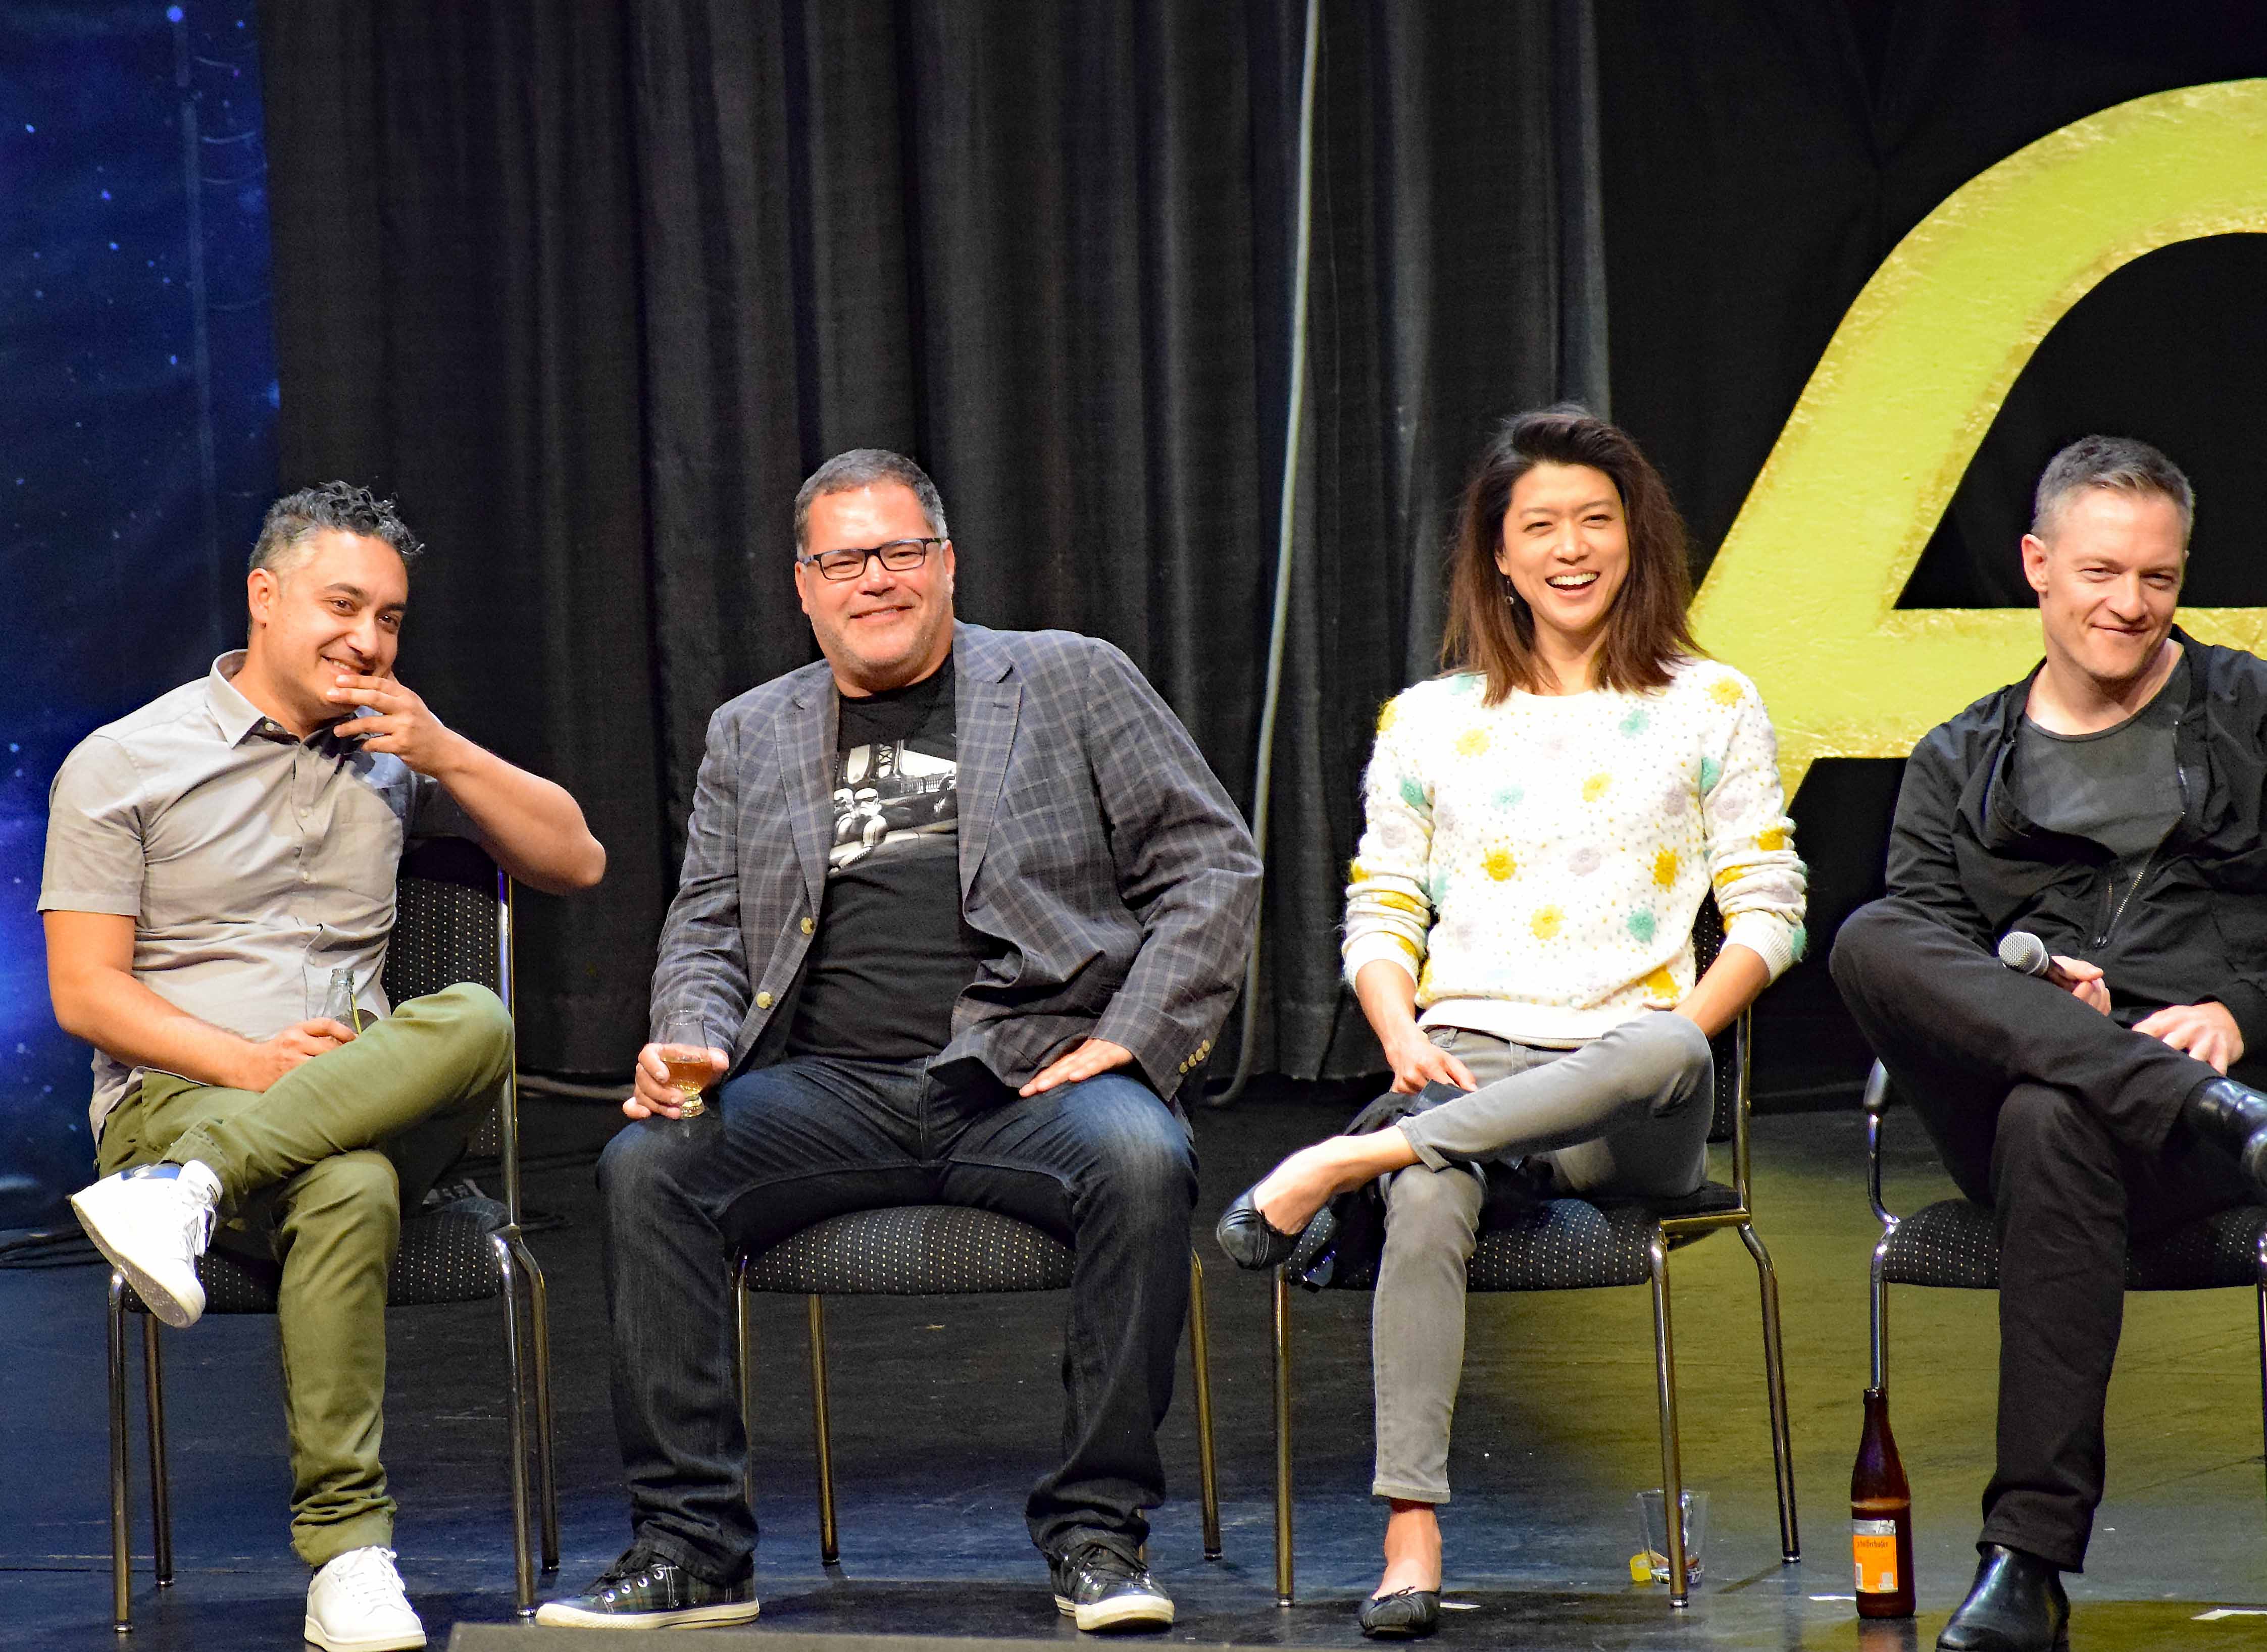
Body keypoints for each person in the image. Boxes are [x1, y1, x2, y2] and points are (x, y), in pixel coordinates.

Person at [538, 448, 1260, 1633]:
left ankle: (1097, 1535)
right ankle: (693, 1546)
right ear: (804, 586)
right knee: (648, 1166)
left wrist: (1132, 1041)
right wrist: (691, 1042)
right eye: (843, 560)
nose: (873, 579)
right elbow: (708, 924)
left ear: (946, 563)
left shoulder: (1071, 678)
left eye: (897, 552)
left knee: (1140, 1158)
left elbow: (1211, 866)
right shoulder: (751, 731)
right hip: (827, 1088)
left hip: (1030, 1074)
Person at [1216, 407, 1806, 1639]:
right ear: (1497, 552)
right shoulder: (1430, 718)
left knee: (1658, 1044)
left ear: (1635, 539)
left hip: (1636, 1082)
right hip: (1471, 1058)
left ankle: (1350, 1158)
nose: (1570, 547)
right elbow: (1382, 909)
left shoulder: (1709, 702)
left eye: (1595, 520)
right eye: (1540, 525)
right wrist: (1401, 1040)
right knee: (1432, 1188)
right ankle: (1410, 1533)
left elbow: (1769, 907)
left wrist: (1685, 1028)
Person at [44, 483, 607, 1652]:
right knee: (349, 1184)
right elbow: (86, 992)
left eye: (389, 618)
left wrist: (442, 748)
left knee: (476, 1019)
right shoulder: (124, 760)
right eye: (342, 605)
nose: (368, 639)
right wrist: (247, 1063)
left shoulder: (392, 755)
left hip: (356, 1092)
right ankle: (350, 1554)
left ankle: (191, 1190)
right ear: (265, 596)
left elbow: (577, 859)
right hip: (178, 1094)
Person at [1830, 436, 2267, 1652]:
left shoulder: (2250, 714)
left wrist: (2240, 1011)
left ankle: (2023, 1561)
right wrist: (2027, 993)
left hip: (2191, 1127)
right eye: (2100, 572)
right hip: (2103, 1095)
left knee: (2051, 1115)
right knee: (1873, 936)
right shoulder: (1957, 760)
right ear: (2035, 563)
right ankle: (2179, 1096)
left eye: (2158, 578)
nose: (2129, 604)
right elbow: (1921, 966)